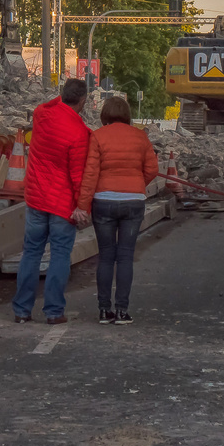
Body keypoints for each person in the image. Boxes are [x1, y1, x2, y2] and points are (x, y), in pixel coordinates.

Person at [13, 78, 92, 324]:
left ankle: (21, 310)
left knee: (31, 253)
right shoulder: (79, 132)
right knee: (59, 255)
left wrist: (64, 98)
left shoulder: (41, 114)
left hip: (36, 199)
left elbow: (52, 104)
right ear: (83, 101)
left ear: (62, 95)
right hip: (62, 205)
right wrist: (83, 206)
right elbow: (78, 176)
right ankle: (54, 311)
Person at [77, 95, 160, 325]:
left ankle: (104, 311)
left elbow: (90, 173)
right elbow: (153, 168)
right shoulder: (140, 137)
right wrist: (136, 185)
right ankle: (122, 311)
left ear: (105, 114)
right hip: (133, 202)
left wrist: (83, 205)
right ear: (127, 115)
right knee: (125, 257)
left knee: (106, 256)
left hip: (103, 201)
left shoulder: (98, 136)